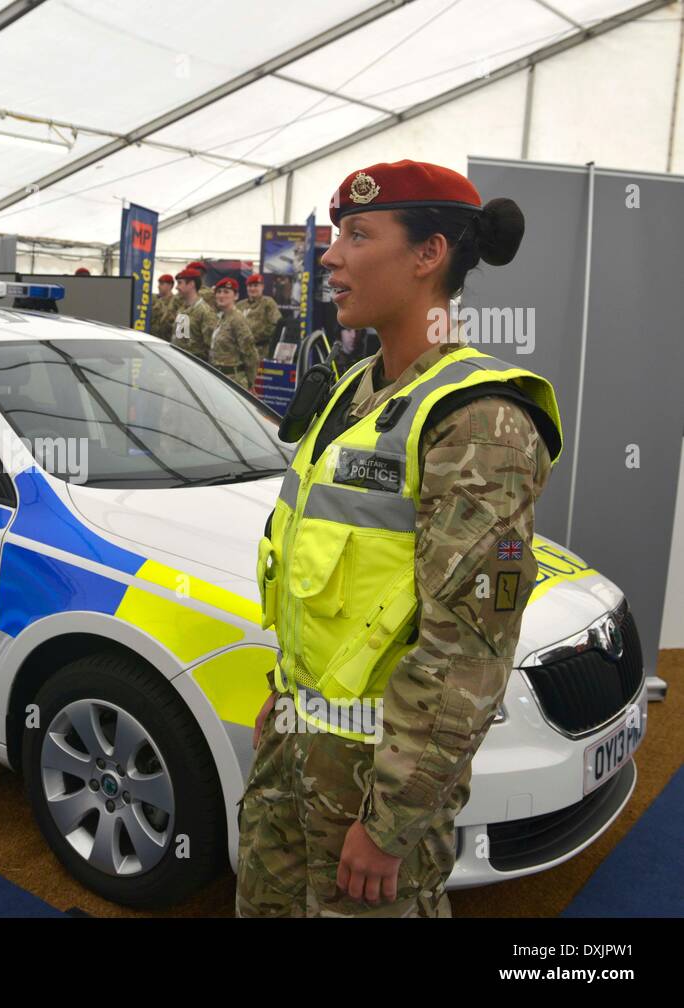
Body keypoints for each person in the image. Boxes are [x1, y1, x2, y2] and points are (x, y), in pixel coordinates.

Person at [237, 160, 563, 918]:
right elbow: (329, 586)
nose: (329, 255)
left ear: (429, 254)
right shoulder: (357, 394)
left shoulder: (478, 419)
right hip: (294, 754)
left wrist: (391, 824)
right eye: (333, 234)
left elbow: (467, 655)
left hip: (372, 788)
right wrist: (285, 694)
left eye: (357, 234)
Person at [209, 277, 259, 388]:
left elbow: (250, 352)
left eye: (226, 292)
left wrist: (252, 383)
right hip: (219, 376)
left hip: (233, 380)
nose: (221, 295)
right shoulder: (222, 318)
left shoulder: (237, 319)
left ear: (235, 296)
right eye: (219, 292)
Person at [170, 266, 215, 362]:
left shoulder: (204, 311)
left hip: (195, 365)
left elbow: (211, 346)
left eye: (180, 283)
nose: (177, 287)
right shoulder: (182, 309)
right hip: (178, 361)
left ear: (191, 284)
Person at [236, 272, 281, 360]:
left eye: (256, 285)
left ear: (262, 287)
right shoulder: (240, 305)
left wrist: (253, 338)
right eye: (250, 286)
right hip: (240, 352)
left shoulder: (268, 303)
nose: (252, 288)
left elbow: (276, 324)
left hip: (260, 352)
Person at [149, 273, 176, 340]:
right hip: (152, 339)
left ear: (170, 285)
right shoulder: (154, 300)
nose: (158, 286)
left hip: (166, 341)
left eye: (161, 284)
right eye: (159, 284)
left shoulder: (175, 302)